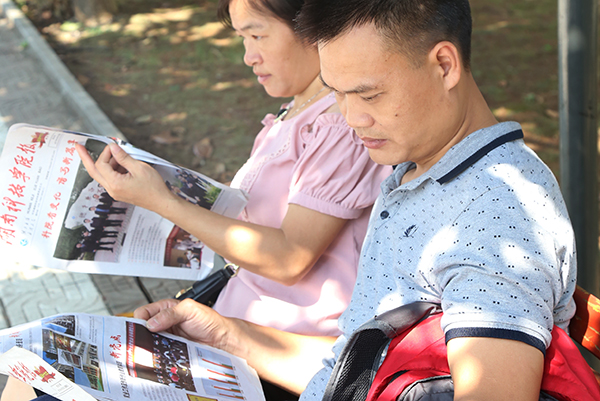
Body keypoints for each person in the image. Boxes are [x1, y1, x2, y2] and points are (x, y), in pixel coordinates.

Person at [3, 0, 583, 400]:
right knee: (37, 370)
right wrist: (222, 332)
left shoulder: (493, 218)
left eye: (368, 95)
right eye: (338, 95)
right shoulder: (418, 169)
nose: (352, 120)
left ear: (444, 64)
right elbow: (355, 370)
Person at [76, 0, 390, 339]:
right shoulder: (295, 111)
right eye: (243, 38)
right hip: (235, 318)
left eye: (258, 36)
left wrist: (161, 201)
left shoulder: (339, 125)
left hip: (286, 342)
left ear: (312, 27)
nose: (248, 56)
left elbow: (290, 258)